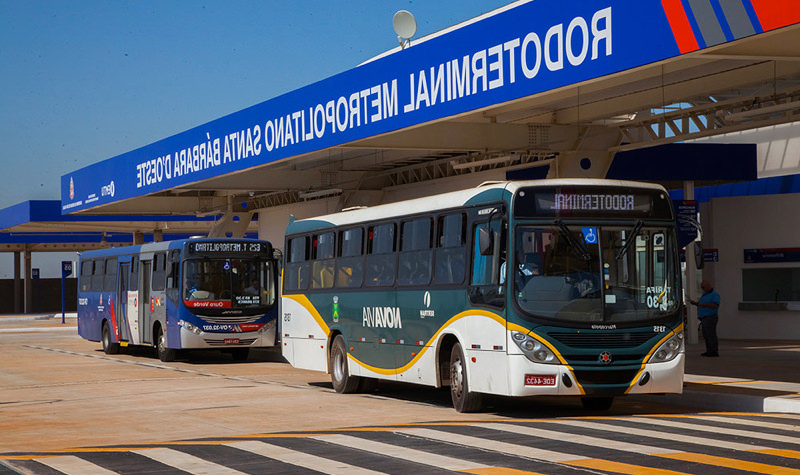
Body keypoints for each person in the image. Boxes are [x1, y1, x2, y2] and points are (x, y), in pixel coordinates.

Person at [689, 280, 720, 357]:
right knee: (706, 334)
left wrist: (703, 304)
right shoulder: (705, 295)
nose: (702, 289)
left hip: (710, 317)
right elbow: (701, 304)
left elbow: (715, 305)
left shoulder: (714, 295)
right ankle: (709, 350)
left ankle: (713, 351)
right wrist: (695, 303)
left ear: (708, 286)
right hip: (704, 317)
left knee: (711, 334)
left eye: (703, 287)